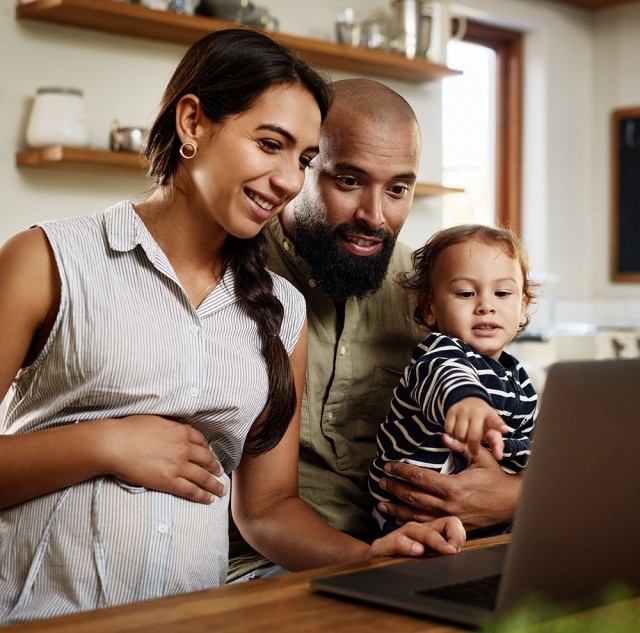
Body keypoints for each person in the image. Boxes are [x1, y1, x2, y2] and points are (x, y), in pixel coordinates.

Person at [0, 30, 464, 624]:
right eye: (269, 144)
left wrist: (368, 558)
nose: (289, 181)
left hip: (198, 617)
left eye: (301, 159)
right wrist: (103, 443)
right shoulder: (45, 261)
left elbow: (268, 508)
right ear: (192, 122)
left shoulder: (281, 311)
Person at [228, 78, 522, 582]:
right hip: (270, 562)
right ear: (303, 167)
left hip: (427, 550)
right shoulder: (232, 278)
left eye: (398, 189)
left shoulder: (432, 290)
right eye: (348, 181)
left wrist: (510, 497)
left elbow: (510, 423)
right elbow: (259, 507)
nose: (375, 216)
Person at [369, 224, 538, 536]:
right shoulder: (438, 352)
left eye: (502, 293)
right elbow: (447, 377)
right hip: (412, 519)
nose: (486, 305)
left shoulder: (520, 380)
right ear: (430, 309)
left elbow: (531, 442)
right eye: (465, 293)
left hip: (491, 517)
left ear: (523, 307)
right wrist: (468, 401)